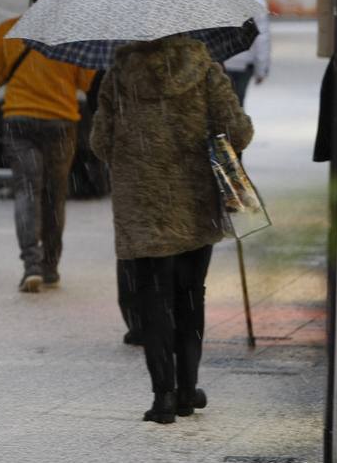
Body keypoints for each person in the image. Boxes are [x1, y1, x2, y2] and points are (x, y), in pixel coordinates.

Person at [90, 35, 253, 424]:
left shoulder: (117, 76)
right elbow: (239, 132)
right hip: (194, 204)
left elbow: (99, 143)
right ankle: (186, 389)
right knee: (190, 296)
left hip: (141, 208)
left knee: (153, 300)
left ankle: (162, 396)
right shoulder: (206, 70)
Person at [0, 0, 96, 293]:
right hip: (61, 123)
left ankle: (30, 265)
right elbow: (86, 83)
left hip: (19, 120)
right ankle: (50, 266)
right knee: (54, 195)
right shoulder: (73, 35)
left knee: (27, 191)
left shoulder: (9, 30)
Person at [218, 0, 271, 104]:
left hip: (221, 62)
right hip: (245, 64)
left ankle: (224, 127)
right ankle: (235, 126)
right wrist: (262, 68)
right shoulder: (256, 1)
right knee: (237, 103)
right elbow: (262, 38)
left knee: (221, 104)